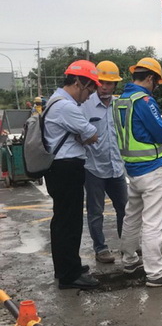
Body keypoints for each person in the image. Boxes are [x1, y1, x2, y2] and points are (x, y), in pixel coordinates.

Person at [113, 57, 162, 287]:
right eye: (157, 82)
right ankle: (155, 273)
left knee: (131, 217)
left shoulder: (121, 101)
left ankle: (130, 260)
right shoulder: (144, 101)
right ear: (151, 78)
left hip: (132, 170)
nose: (156, 87)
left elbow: (139, 134)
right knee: (153, 223)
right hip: (150, 170)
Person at [44, 60, 101, 290]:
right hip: (67, 168)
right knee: (70, 221)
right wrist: (84, 135)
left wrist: (81, 135)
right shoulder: (66, 107)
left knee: (62, 220)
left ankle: (66, 267)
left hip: (59, 168)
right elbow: (92, 134)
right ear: (79, 82)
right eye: (89, 90)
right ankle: (70, 275)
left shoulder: (54, 101)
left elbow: (84, 134)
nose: (88, 97)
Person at [81, 61, 128, 264]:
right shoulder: (85, 105)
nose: (105, 87)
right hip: (93, 168)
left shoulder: (119, 105)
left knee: (124, 209)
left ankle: (127, 247)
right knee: (95, 212)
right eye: (101, 82)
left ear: (115, 85)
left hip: (116, 167)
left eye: (110, 83)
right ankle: (101, 249)